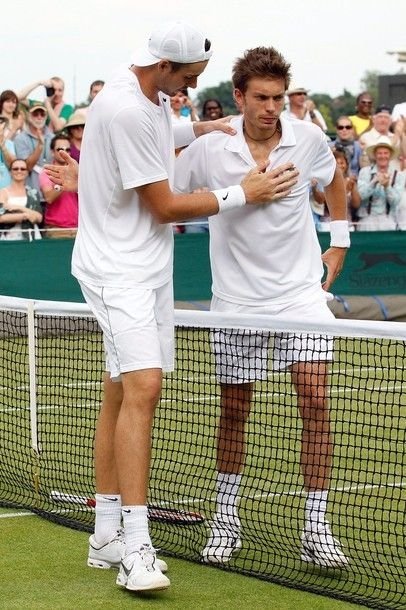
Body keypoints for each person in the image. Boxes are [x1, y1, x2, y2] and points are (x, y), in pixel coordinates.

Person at [51, 21, 298, 594]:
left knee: (120, 388)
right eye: (186, 79)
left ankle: (106, 530)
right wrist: (246, 193)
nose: (187, 88)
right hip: (119, 271)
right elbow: (165, 206)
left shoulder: (142, 89)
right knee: (144, 388)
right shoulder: (130, 109)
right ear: (162, 66)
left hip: (145, 267)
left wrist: (201, 125)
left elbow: (160, 130)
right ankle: (136, 547)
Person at [174, 46, 350, 569]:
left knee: (315, 400)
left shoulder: (308, 137)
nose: (272, 108)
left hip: (300, 293)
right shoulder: (211, 148)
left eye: (278, 98)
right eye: (261, 98)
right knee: (234, 409)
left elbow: (333, 177)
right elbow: (164, 191)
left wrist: (338, 239)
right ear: (238, 97)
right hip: (235, 299)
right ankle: (226, 520)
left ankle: (317, 527)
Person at [357, 137, 403, 230]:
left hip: (388, 221)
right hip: (367, 221)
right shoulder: (365, 172)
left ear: (390, 155)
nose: (383, 156)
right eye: (379, 153)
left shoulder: (398, 175)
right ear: (375, 155)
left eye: (386, 153)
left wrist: (387, 186)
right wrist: (374, 182)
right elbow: (360, 196)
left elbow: (396, 202)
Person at [39, 134, 78, 238]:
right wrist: (63, 182)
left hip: (78, 228)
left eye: (68, 149)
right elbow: (49, 198)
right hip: (56, 229)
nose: (64, 152)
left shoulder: (77, 171)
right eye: (60, 149)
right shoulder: (46, 172)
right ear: (52, 152)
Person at [14, 102, 53, 198]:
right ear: (29, 116)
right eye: (35, 114)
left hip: (51, 194)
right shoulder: (20, 138)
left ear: (46, 116)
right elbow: (27, 166)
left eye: (42, 114)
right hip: (31, 194)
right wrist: (40, 146)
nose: (39, 117)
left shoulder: (53, 137)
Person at [0, 158, 42, 240]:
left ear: (27, 172)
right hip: (9, 236)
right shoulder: (2, 192)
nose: (19, 171)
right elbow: (1, 217)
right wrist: (25, 215)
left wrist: (19, 208)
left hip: (32, 235)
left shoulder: (33, 192)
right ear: (10, 172)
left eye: (23, 169)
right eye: (15, 169)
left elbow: (39, 217)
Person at [0, 117, 16, 188]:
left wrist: (3, 147)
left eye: (2, 128)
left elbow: (13, 165)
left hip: (7, 190)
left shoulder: (9, 144)